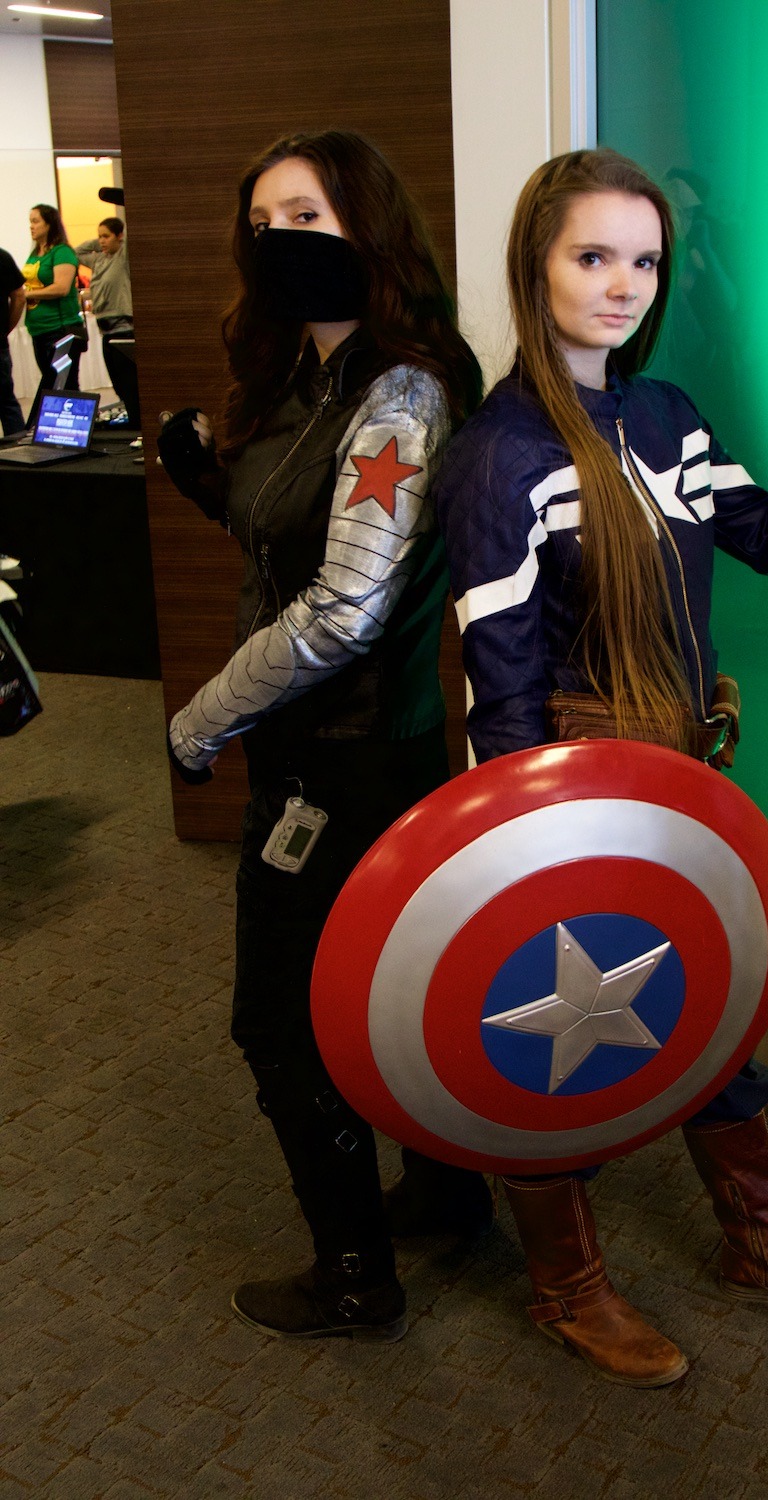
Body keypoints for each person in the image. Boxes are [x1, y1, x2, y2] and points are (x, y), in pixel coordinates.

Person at [434, 149, 768, 1387]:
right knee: (554, 1044)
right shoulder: (499, 455)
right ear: (535, 265)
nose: (622, 283)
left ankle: (761, 1246)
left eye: (643, 259)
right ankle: (567, 1288)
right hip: (568, 800)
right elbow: (500, 680)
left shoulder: (666, 416)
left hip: (683, 789)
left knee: (706, 1012)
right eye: (591, 255)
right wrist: (524, 852)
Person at [158, 130, 486, 1342]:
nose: (280, 239)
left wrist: (201, 719)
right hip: (332, 750)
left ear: (368, 224)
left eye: (307, 215)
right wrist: (214, 486)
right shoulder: (312, 374)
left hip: (346, 760)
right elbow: (310, 545)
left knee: (281, 1021)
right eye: (263, 222)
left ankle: (354, 1277)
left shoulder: (398, 392)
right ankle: (445, 1196)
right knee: (386, 988)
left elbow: (346, 609)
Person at [75, 216, 140, 426]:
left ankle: (137, 423)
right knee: (117, 383)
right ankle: (131, 419)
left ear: (119, 236)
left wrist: (118, 241)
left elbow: (131, 239)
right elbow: (76, 253)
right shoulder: (99, 260)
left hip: (123, 328)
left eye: (106, 236)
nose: (102, 241)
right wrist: (99, 243)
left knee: (129, 383)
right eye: (99, 237)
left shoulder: (123, 257)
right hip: (105, 330)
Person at [22, 204, 86, 394]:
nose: (31, 226)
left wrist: (27, 295)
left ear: (49, 224)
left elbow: (61, 288)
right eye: (30, 222)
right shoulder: (35, 254)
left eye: (35, 221)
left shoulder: (62, 252)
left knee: (65, 385)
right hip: (38, 329)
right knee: (51, 385)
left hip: (60, 328)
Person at [0, 245, 26, 435]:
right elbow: (19, 296)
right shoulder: (2, 257)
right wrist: (5, 329)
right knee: (6, 402)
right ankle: (18, 446)